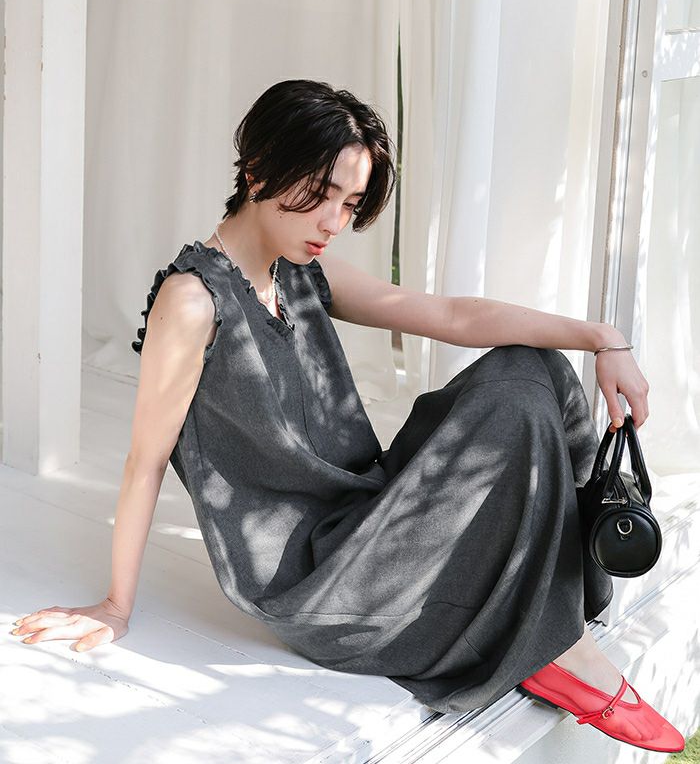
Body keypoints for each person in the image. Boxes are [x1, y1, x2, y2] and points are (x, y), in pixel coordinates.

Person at [11, 79, 684, 753]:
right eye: (321, 194)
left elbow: (452, 316)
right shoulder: (193, 302)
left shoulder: (300, 272)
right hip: (322, 579)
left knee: (534, 369)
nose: (334, 222)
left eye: (350, 203)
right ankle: (558, 648)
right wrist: (115, 607)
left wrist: (601, 337)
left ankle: (558, 617)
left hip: (369, 518)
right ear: (258, 171)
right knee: (516, 411)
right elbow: (146, 460)